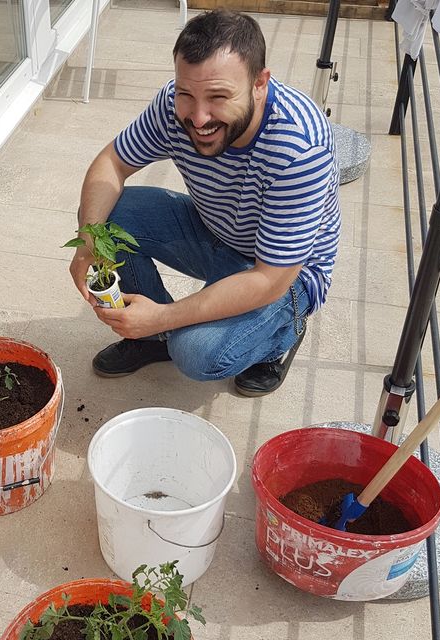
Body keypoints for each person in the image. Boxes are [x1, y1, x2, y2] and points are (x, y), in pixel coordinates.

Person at [69, 10, 340, 397]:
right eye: (187, 95)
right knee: (106, 217)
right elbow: (111, 162)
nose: (198, 118)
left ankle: (282, 334)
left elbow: (268, 279)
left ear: (260, 83)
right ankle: (151, 338)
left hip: (284, 275)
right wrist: (87, 241)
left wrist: (163, 315)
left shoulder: (299, 149)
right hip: (214, 228)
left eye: (218, 97)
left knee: (197, 355)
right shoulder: (172, 105)